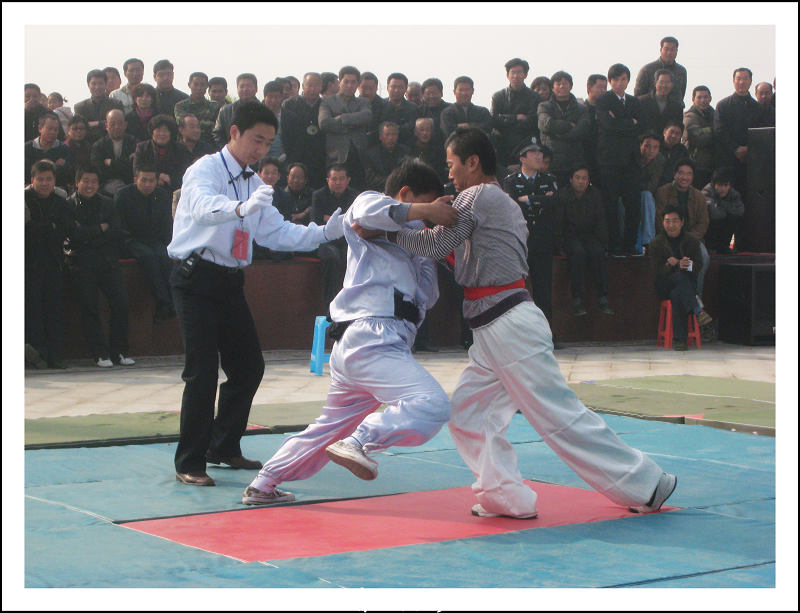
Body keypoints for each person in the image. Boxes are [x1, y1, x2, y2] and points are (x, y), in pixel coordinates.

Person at [378, 126, 676, 518]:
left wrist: (386, 230)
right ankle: (506, 497)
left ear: (472, 162)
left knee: (558, 416)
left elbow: (434, 244)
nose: (447, 174)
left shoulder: (478, 196)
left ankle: (647, 483)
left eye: (451, 165)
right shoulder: (493, 199)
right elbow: (448, 246)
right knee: (468, 416)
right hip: (494, 329)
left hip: (508, 325)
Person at [240, 158, 457, 505]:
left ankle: (265, 482)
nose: (427, 219)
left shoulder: (409, 239)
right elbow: (367, 213)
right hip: (373, 337)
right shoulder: (369, 203)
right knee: (431, 405)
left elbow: (427, 299)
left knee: (330, 427)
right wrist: (424, 211)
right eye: (425, 209)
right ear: (406, 195)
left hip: (375, 344)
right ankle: (360, 441)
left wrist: (423, 250)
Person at [167, 101, 347, 486]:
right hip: (195, 278)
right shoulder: (205, 169)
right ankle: (189, 461)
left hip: (230, 280)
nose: (261, 150)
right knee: (201, 372)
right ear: (234, 133)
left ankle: (223, 446)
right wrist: (240, 207)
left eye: (268, 143)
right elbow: (201, 208)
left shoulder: (254, 183)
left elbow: (277, 233)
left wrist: (325, 232)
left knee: (249, 366)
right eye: (256, 140)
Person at [64, 165, 134, 368]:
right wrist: (99, 229)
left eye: (93, 181)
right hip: (82, 263)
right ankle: (99, 353)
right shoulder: (69, 205)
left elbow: (116, 231)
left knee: (121, 305)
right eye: (85, 181)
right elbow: (73, 235)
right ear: (77, 182)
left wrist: (89, 232)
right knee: (89, 308)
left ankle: (119, 351)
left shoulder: (107, 203)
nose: (89, 185)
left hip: (108, 261)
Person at [501, 142, 559, 333]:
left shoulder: (549, 180)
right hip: (520, 240)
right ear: (522, 158)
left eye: (540, 152)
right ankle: (518, 334)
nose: (539, 156)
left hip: (542, 239)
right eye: (533, 152)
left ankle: (546, 333)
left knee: (544, 289)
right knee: (518, 290)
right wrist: (543, 200)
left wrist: (530, 200)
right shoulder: (511, 181)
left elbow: (556, 202)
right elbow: (512, 205)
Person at [25, 160, 73, 370]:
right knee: (33, 311)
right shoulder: (24, 200)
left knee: (54, 311)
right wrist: (48, 227)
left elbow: (62, 229)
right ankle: (38, 356)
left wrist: (40, 228)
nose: (44, 183)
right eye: (40, 179)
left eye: (49, 179)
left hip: (53, 264)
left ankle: (55, 356)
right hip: (29, 264)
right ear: (32, 180)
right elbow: (25, 232)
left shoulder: (60, 202)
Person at [115, 163, 175, 322]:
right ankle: (163, 302)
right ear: (136, 180)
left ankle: (172, 302)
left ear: (156, 181)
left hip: (153, 239)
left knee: (164, 255)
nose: (147, 184)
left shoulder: (162, 195)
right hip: (130, 239)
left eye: (151, 181)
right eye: (144, 180)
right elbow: (118, 225)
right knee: (148, 256)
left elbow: (166, 225)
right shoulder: (123, 195)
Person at [649, 206, 713, 350]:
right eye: (667, 221)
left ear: (682, 222)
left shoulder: (692, 241)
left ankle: (680, 340)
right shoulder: (656, 243)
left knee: (678, 293)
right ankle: (697, 310)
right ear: (663, 222)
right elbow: (656, 273)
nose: (671, 225)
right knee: (679, 280)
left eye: (675, 221)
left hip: (685, 285)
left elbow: (698, 267)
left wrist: (688, 265)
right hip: (665, 284)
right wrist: (668, 265)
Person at [596, 63, 643, 256]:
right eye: (616, 79)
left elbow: (639, 125)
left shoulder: (634, 102)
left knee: (633, 205)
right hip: (610, 160)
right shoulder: (603, 100)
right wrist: (628, 122)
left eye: (623, 79)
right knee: (611, 205)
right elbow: (607, 125)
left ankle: (630, 245)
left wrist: (619, 122)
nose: (620, 83)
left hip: (631, 160)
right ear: (610, 81)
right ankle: (614, 245)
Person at [555, 166, 613, 316]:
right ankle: (577, 299)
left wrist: (604, 243)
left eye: (584, 178)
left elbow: (601, 221)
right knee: (578, 254)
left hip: (589, 235)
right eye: (578, 178)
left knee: (597, 252)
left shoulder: (595, 195)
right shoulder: (562, 195)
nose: (581, 181)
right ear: (571, 179)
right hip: (570, 236)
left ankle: (603, 297)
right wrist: (559, 245)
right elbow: (559, 223)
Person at [655, 159, 710, 299]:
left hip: (692, 239)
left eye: (689, 174)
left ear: (693, 177)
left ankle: (696, 297)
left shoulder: (699, 196)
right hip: (668, 237)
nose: (685, 177)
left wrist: (689, 239)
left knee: (703, 257)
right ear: (674, 174)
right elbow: (659, 220)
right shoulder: (663, 192)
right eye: (681, 173)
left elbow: (703, 223)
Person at [311, 164, 360, 310]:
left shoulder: (354, 196)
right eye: (334, 179)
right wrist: (343, 220)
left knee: (356, 254)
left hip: (347, 240)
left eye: (341, 179)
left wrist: (331, 218)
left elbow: (357, 221)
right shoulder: (318, 195)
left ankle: (354, 302)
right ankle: (330, 304)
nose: (338, 183)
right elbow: (316, 220)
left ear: (348, 180)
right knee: (331, 256)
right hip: (325, 241)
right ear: (328, 180)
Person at [319, 66, 372, 190]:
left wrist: (342, 118)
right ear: (339, 82)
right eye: (346, 81)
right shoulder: (327, 102)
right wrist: (354, 123)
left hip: (359, 157)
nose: (349, 85)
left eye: (353, 82)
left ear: (358, 84)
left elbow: (367, 116)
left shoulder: (363, 102)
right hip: (336, 156)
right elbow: (324, 123)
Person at [713, 67, 761, 198]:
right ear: (733, 81)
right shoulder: (723, 105)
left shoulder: (757, 107)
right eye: (738, 78)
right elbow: (719, 131)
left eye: (745, 78)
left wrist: (748, 149)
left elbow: (761, 131)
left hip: (751, 162)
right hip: (728, 160)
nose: (742, 82)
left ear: (751, 82)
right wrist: (736, 148)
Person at [537, 70, 588, 188]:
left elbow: (582, 130)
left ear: (570, 86)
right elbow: (546, 124)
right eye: (558, 83)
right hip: (552, 161)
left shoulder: (581, 109)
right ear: (552, 87)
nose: (562, 86)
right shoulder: (544, 106)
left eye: (565, 83)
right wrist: (569, 125)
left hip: (574, 161)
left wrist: (558, 134)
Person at [491, 58, 541, 165]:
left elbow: (533, 121)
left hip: (526, 145)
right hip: (502, 146)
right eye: (513, 72)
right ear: (507, 75)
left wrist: (505, 121)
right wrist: (515, 118)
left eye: (519, 72)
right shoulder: (498, 96)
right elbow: (493, 120)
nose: (516, 76)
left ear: (525, 75)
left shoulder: (535, 97)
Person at [281, 72, 326, 188]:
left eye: (316, 85)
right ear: (303, 86)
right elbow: (285, 133)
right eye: (309, 85)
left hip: (319, 157)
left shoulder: (326, 105)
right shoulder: (289, 104)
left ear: (321, 87)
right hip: (295, 155)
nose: (312, 89)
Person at [133, 114, 189, 190]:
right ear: (152, 132)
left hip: (172, 188)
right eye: (158, 130)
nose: (162, 134)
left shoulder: (180, 149)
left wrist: (170, 179)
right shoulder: (142, 147)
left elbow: (185, 173)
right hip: (147, 187)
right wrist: (157, 176)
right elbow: (137, 169)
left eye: (165, 130)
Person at [89, 109, 138, 196]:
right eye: (112, 124)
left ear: (125, 125)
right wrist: (125, 163)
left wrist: (111, 163)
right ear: (106, 126)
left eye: (120, 123)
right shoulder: (98, 146)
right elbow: (99, 171)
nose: (116, 127)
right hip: (105, 188)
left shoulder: (134, 142)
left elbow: (134, 168)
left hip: (129, 185)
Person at [634, 36, 687, 107]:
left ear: (676, 51)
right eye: (666, 49)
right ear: (661, 50)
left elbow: (681, 94)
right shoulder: (647, 70)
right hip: (651, 112)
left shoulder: (681, 71)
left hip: (674, 113)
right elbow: (638, 96)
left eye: (672, 50)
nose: (669, 53)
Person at [73, 69, 124, 144]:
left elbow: (119, 125)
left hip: (111, 144)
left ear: (105, 84)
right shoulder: (80, 107)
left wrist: (96, 123)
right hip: (88, 146)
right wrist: (103, 123)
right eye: (93, 84)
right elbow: (81, 128)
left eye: (100, 83)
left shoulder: (116, 104)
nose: (97, 87)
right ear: (88, 85)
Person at [702, 167, 745, 253]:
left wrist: (721, 205)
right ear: (714, 184)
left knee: (733, 218)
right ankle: (710, 247)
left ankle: (724, 247)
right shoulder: (706, 192)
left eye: (726, 185)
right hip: (709, 227)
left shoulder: (734, 194)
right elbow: (715, 215)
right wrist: (727, 209)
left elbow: (740, 211)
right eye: (720, 185)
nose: (723, 189)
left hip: (724, 225)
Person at [24, 112, 71, 189]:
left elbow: (66, 175)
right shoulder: (27, 148)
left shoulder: (63, 149)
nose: (53, 132)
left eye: (55, 129)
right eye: (49, 129)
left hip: (56, 190)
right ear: (40, 128)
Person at [682, 86, 716, 189]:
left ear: (710, 98)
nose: (703, 100)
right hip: (697, 165)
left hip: (713, 164)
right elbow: (697, 138)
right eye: (699, 97)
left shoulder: (715, 115)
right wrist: (714, 130)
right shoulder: (689, 116)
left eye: (705, 97)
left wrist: (706, 130)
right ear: (693, 99)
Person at [213, 73, 259, 148]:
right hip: (232, 154)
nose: (245, 89)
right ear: (237, 89)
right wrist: (228, 151)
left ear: (256, 89)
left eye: (249, 86)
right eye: (242, 86)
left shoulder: (265, 111)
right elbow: (217, 134)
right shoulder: (226, 111)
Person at [173, 72, 220, 145]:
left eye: (202, 84)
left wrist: (193, 125)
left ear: (207, 86)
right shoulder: (180, 106)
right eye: (196, 84)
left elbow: (218, 127)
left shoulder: (215, 106)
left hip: (210, 145)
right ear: (189, 85)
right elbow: (184, 125)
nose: (199, 88)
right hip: (186, 145)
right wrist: (209, 124)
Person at [363, 121, 411, 192]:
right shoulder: (371, 155)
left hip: (402, 190)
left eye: (394, 134)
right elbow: (371, 179)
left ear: (397, 136)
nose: (390, 138)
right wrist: (392, 181)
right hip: (379, 191)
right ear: (380, 137)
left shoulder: (406, 152)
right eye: (387, 135)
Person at [440, 76, 492, 140]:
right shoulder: (447, 112)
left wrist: (461, 126)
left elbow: (487, 129)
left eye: (467, 90)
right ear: (454, 92)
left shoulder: (483, 111)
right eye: (461, 90)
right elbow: (448, 131)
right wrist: (474, 126)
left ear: (472, 91)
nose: (464, 93)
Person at [638, 132, 666, 253]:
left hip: (646, 193)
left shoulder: (659, 160)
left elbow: (652, 185)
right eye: (647, 146)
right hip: (628, 192)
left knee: (647, 196)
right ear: (640, 145)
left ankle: (648, 242)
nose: (651, 150)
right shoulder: (633, 156)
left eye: (655, 147)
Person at [636, 69, 684, 136]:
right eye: (661, 82)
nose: (664, 85)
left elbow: (678, 129)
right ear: (655, 83)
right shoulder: (641, 101)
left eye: (667, 82)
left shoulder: (677, 106)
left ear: (672, 85)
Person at [378, 72, 420, 147]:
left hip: (406, 147)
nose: (396, 90)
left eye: (400, 87)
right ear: (388, 87)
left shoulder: (413, 108)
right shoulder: (379, 105)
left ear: (405, 89)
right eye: (393, 87)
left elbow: (412, 129)